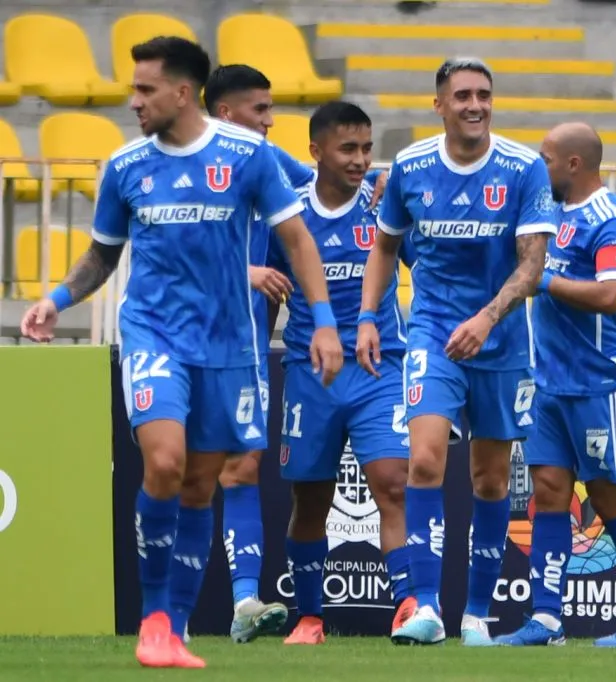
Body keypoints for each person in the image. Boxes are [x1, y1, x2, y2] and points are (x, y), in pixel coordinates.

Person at [20, 37, 342, 669]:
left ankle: (176, 630)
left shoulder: (248, 156)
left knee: (200, 484)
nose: (133, 101)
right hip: (154, 334)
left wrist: (325, 322)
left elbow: (299, 240)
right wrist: (58, 298)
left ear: (182, 92)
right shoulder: (126, 166)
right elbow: (102, 255)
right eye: (133, 89)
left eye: (144, 90)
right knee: (164, 463)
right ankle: (155, 616)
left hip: (228, 346)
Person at [358, 57, 556, 646]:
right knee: (422, 461)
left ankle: (474, 614)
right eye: (463, 95)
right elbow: (385, 248)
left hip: (502, 339)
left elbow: (533, 264)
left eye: (484, 95)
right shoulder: (412, 167)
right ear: (439, 104)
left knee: (491, 480)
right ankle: (425, 607)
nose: (475, 104)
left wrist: (488, 317)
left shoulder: (523, 168)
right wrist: (370, 317)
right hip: (433, 333)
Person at [494, 122, 616, 648]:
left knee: (611, 498)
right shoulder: (545, 213)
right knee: (547, 493)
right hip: (547, 382)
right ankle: (546, 619)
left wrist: (541, 278)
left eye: (545, 158)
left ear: (573, 164)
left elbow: (612, 295)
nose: (537, 166)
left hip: (597, 384)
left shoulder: (611, 217)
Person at [266, 100, 424, 645]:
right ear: (315, 151)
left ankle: (407, 606)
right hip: (311, 374)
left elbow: (428, 268)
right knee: (311, 500)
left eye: (366, 148)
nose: (360, 160)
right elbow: (271, 294)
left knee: (392, 484)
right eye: (347, 149)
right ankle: (309, 617)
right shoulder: (287, 216)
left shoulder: (384, 205)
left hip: (379, 365)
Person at [199, 62, 313, 644]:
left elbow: (320, 189)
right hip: (182, 342)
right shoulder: (179, 163)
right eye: (261, 110)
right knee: (183, 473)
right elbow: (165, 251)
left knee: (241, 467)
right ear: (226, 113)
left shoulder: (268, 162)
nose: (271, 122)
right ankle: (165, 613)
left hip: (244, 347)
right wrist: (246, 270)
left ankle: (245, 602)